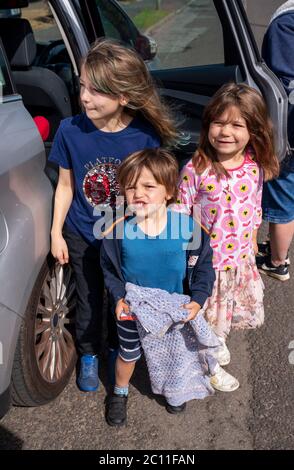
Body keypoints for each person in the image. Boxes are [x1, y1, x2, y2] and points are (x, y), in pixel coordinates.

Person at [49, 38, 177, 392]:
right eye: (83, 87)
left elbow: (153, 194)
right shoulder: (70, 131)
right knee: (88, 298)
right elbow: (65, 187)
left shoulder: (144, 137)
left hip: (125, 238)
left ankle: (115, 348)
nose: (85, 97)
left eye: (96, 91)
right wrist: (55, 233)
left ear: (123, 97)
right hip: (82, 233)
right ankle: (88, 352)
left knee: (122, 299)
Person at [100, 148, 239, 427]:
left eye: (148, 186)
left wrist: (198, 300)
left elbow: (203, 269)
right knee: (128, 354)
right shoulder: (117, 233)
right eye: (130, 187)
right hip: (133, 307)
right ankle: (120, 391)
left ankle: (176, 392)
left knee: (176, 353)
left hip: (175, 309)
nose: (138, 193)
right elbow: (111, 272)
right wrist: (118, 297)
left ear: (169, 191)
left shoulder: (188, 229)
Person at [176, 82, 279, 369]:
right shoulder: (195, 168)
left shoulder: (254, 166)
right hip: (207, 261)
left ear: (253, 131)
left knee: (227, 309)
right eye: (218, 122)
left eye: (237, 125)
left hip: (239, 259)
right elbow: (180, 211)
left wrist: (253, 241)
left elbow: (255, 206)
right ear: (207, 124)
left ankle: (214, 342)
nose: (225, 132)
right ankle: (206, 360)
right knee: (207, 312)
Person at [257, 1, 294, 281]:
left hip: (290, 133)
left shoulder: (287, 24)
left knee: (283, 202)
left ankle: (277, 261)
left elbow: (281, 86)